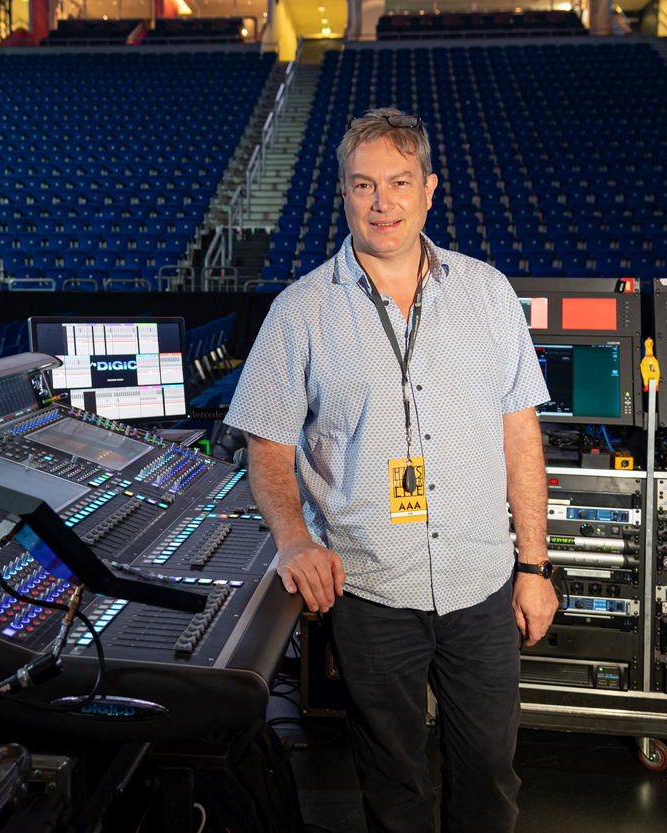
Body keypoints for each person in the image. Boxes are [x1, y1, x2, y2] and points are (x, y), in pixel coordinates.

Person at [223, 108, 559, 833]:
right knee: (394, 786)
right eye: (364, 185)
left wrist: (535, 562)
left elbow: (520, 433)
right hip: (372, 589)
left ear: (429, 189)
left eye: (399, 183)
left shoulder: (488, 292)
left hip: (481, 584)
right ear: (342, 193)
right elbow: (268, 448)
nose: (383, 203)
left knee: (490, 780)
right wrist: (292, 540)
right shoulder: (300, 310)